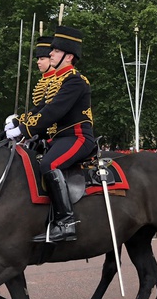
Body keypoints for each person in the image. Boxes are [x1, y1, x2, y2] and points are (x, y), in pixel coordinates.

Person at [6, 25, 96, 242]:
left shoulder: (75, 80)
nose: (51, 54)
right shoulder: (58, 81)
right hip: (60, 138)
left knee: (50, 165)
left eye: (55, 51)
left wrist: (23, 130)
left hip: (77, 137)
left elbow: (53, 112)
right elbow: (40, 110)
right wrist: (15, 124)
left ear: (69, 56)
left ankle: (66, 223)